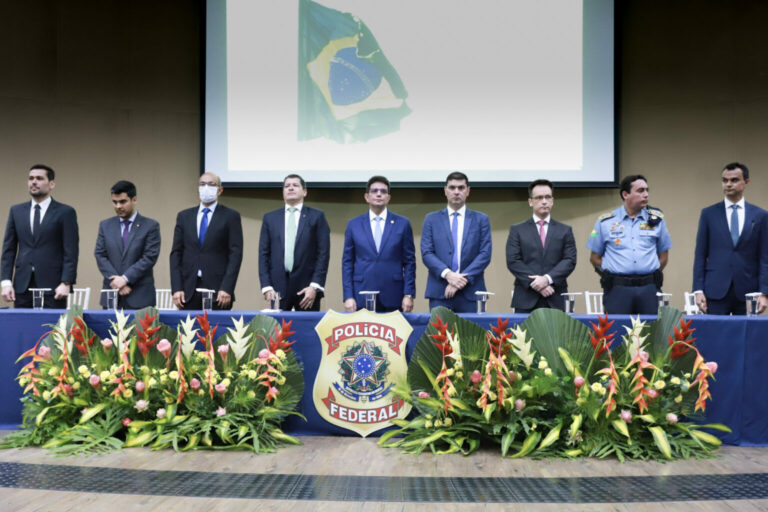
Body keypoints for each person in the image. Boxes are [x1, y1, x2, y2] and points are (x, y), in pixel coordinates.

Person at [587, 174, 672, 315]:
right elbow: (595, 258)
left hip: (649, 288)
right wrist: (611, 274)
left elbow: (663, 255)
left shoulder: (657, 220)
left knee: (650, 332)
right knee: (617, 331)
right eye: (640, 191)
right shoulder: (604, 222)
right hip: (617, 289)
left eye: (647, 190)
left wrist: (647, 271)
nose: (646, 194)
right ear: (625, 194)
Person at [692, 162, 768, 315]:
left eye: (734, 180)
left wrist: (764, 292)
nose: (728, 184)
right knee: (715, 336)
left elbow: (764, 257)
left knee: (747, 337)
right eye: (725, 180)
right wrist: (698, 290)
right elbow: (700, 255)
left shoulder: (760, 216)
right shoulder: (708, 214)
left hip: (748, 292)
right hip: (715, 290)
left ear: (746, 182)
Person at [1, 164, 79, 309]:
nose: (34, 182)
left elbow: (71, 251)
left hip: (54, 287)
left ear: (51, 184)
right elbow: (8, 250)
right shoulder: (16, 211)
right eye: (31, 178)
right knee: (22, 329)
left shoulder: (65, 212)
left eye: (39, 178)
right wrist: (6, 282)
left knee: (53, 330)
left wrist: (66, 282)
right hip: (22, 286)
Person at [170, 172, 243, 310]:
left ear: (220, 190)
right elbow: (176, 254)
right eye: (202, 184)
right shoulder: (184, 216)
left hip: (219, 291)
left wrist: (227, 287)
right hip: (188, 290)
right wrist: (176, 288)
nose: (206, 188)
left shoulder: (230, 216)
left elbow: (235, 255)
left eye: (211, 184)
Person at [342, 176, 416, 312]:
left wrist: (408, 294)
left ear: (388, 197)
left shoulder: (402, 224)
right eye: (374, 191)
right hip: (361, 294)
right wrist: (348, 296)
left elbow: (410, 262)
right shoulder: (354, 224)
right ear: (366, 197)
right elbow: (347, 262)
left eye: (383, 191)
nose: (379, 194)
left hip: (394, 296)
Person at [421, 172, 492, 312]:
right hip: (440, 292)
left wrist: (460, 280)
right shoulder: (431, 219)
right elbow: (427, 253)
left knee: (471, 334)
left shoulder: (481, 219)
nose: (456, 192)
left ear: (468, 191)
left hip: (471, 292)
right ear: (445, 190)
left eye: (461, 188)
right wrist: (448, 275)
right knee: (439, 334)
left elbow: (485, 254)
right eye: (452, 188)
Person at [259, 174, 330, 311]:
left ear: (305, 191)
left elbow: (323, 254)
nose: (290, 188)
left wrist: (314, 286)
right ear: (283, 192)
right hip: (277, 291)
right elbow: (263, 255)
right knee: (276, 331)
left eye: (295, 185)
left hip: (307, 291)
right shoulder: (270, 218)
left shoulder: (317, 216)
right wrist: (267, 287)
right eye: (287, 186)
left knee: (306, 331)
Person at [506, 179, 577, 313]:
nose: (544, 201)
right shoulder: (517, 230)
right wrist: (538, 284)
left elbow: (569, 260)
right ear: (530, 202)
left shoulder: (565, 230)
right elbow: (513, 261)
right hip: (526, 297)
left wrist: (547, 279)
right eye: (539, 198)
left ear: (552, 200)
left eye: (547, 197)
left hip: (555, 296)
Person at [94, 180, 161, 309]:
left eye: (123, 201)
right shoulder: (105, 225)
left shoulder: (150, 226)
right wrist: (117, 281)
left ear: (134, 200)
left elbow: (149, 257)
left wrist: (125, 279)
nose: (118, 206)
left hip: (140, 296)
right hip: (112, 294)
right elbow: (100, 254)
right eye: (115, 202)